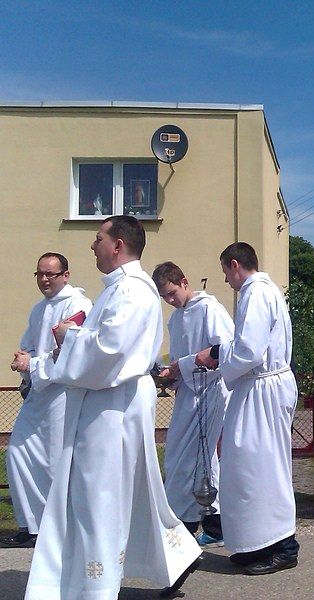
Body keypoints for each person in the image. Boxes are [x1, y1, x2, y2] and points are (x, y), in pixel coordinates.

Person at [20, 216, 201, 599]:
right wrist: (75, 337)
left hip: (112, 405)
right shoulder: (118, 289)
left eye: (98, 237)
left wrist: (70, 337)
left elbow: (110, 351)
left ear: (117, 244)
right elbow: (105, 342)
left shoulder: (132, 290)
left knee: (98, 497)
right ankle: (177, 555)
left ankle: (96, 585)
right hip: (110, 401)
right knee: (127, 494)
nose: (93, 245)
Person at [195, 242, 300, 576]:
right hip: (260, 387)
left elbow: (250, 351)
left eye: (226, 272)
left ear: (235, 265)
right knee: (245, 469)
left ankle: (284, 547)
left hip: (262, 389)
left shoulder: (255, 293)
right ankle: (255, 543)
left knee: (264, 469)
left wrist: (220, 361)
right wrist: (222, 350)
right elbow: (250, 345)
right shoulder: (267, 290)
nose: (227, 281)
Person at [3, 253, 92, 549]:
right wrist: (22, 359)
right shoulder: (39, 308)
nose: (44, 279)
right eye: (39, 274)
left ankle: (55, 527)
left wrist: (32, 364)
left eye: (50, 274)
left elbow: (69, 352)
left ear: (65, 275)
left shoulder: (78, 304)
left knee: (54, 462)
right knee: (17, 452)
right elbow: (30, 344)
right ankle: (31, 525)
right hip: (39, 392)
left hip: (62, 393)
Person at [153, 261, 234, 547]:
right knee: (191, 457)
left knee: (191, 458)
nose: (170, 301)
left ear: (185, 282)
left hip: (211, 390)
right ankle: (216, 524)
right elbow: (179, 358)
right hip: (189, 393)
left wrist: (181, 367)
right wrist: (169, 375)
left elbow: (223, 351)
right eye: (165, 297)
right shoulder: (175, 318)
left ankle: (183, 526)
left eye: (172, 293)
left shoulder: (209, 309)